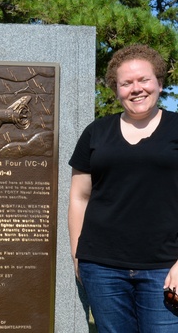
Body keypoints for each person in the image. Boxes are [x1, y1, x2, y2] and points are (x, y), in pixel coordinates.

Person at [68, 44, 178, 332]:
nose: (136, 89)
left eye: (144, 80)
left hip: (165, 268)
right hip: (102, 267)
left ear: (159, 83)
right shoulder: (96, 132)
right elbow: (80, 196)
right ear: (116, 90)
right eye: (126, 83)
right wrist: (77, 253)